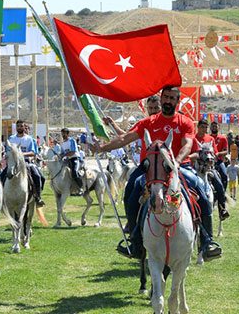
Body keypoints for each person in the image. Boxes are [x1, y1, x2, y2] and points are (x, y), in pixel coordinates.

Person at [93, 86, 221, 262]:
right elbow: (125, 138)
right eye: (165, 97)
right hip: (150, 169)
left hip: (179, 168)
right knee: (131, 189)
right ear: (161, 99)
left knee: (203, 194)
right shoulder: (148, 122)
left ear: (177, 100)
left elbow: (187, 145)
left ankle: (207, 242)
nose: (168, 101)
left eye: (172, 98)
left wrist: (175, 161)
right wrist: (102, 148)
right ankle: (135, 241)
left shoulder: (185, 122)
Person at [190, 119, 229, 220]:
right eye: (202, 127)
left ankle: (223, 208)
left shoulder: (210, 139)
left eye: (206, 127)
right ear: (198, 127)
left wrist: (212, 159)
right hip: (195, 167)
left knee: (219, 184)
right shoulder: (192, 138)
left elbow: (215, 152)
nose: (204, 129)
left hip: (209, 167)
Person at [3, 120, 45, 207]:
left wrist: (21, 154)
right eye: (18, 126)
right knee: (1, 176)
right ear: (16, 128)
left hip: (26, 162)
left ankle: (38, 197)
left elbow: (33, 152)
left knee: (38, 176)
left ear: (24, 127)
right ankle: (1, 198)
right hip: (13, 163)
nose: (19, 127)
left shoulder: (29, 139)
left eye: (21, 126)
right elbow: (7, 151)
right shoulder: (11, 139)